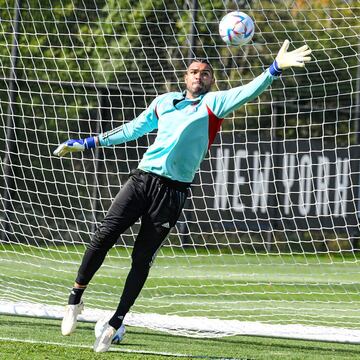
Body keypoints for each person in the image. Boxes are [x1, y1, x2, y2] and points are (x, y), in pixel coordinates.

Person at [53, 39, 311, 352]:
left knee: (141, 260)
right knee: (103, 236)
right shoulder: (163, 103)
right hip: (141, 180)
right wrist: (89, 142)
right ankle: (75, 299)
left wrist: (274, 69)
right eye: (193, 72)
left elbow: (248, 91)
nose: (198, 76)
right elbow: (132, 129)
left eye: (205, 73)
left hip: (173, 192)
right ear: (185, 78)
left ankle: (115, 322)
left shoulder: (214, 104)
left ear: (211, 80)